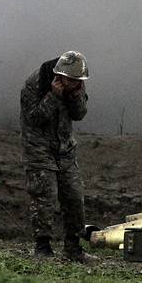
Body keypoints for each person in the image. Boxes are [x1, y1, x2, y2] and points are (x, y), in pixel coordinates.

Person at [20, 51, 96, 262]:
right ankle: (42, 248)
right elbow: (34, 118)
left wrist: (75, 95)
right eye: (70, 80)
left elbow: (79, 114)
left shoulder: (77, 84)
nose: (74, 83)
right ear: (59, 75)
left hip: (65, 149)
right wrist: (53, 96)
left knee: (74, 196)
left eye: (77, 81)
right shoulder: (34, 84)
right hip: (39, 149)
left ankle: (73, 247)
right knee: (45, 196)